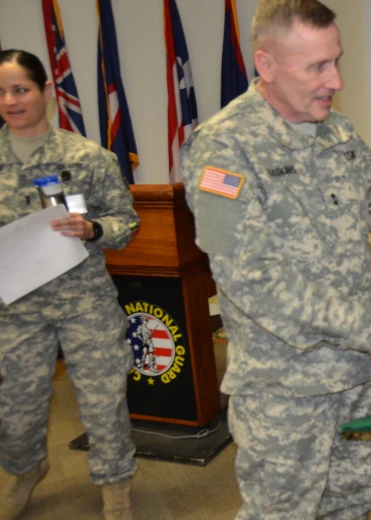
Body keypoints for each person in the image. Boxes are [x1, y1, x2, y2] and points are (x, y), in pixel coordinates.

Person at [180, 1, 371, 518]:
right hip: (286, 391)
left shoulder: (337, 131)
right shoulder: (224, 149)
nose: (335, 79)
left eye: (337, 60)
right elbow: (250, 279)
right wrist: (369, 327)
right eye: (317, 66)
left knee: (353, 503)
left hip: (360, 375)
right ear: (267, 64)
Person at [0, 50, 139, 520]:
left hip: (85, 303)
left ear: (45, 92)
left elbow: (127, 222)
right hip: (15, 310)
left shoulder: (87, 158)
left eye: (20, 89)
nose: (10, 100)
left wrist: (93, 229)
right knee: (15, 414)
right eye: (1, 92)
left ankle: (116, 492)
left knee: (104, 407)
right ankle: (25, 469)